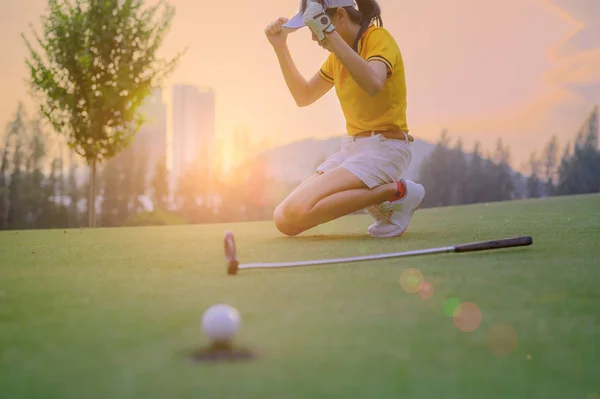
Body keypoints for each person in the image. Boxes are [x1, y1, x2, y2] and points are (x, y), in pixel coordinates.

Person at [265, 0, 425, 238]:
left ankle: (397, 193)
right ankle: (383, 196)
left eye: (316, 26)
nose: (314, 38)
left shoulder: (378, 38)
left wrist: (329, 35)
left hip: (386, 150)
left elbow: (373, 83)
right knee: (284, 219)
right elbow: (304, 96)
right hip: (352, 150)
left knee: (295, 210)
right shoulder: (337, 57)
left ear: (340, 15)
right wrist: (280, 48)